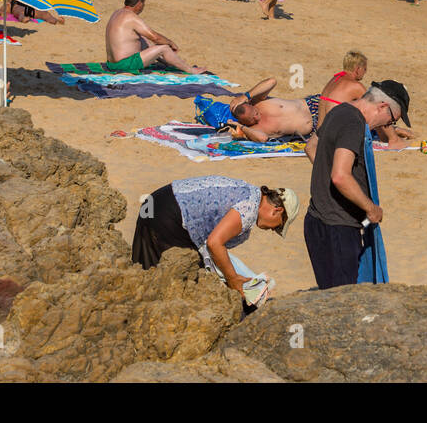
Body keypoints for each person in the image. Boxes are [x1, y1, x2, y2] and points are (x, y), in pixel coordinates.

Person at [304, 80, 410, 288]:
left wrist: (326, 173)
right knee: (342, 303)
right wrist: (371, 208)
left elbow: (311, 146)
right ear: (382, 107)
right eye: (391, 121)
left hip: (316, 220)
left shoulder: (341, 109)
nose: (387, 126)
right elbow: (341, 177)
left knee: (330, 295)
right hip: (338, 228)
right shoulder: (354, 123)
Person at [131, 177, 297, 300]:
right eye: (277, 226)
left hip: (156, 202)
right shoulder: (249, 208)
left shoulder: (249, 191)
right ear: (277, 211)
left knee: (145, 273)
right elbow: (214, 243)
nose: (271, 229)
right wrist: (232, 279)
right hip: (169, 214)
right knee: (173, 284)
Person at [105, 0, 208, 72]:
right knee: (164, 48)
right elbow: (155, 37)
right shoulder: (131, 17)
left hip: (111, 64)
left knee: (143, 39)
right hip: (124, 65)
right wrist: (171, 43)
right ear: (139, 4)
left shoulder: (117, 13)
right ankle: (191, 70)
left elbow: (148, 37)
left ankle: (168, 61)